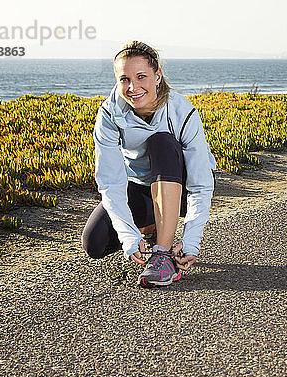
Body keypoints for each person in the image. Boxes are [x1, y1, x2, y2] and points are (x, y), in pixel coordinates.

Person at [82, 40, 216, 287]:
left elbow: (201, 185)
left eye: (141, 76)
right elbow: (111, 182)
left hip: (182, 187)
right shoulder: (110, 114)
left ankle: (163, 254)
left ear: (158, 75)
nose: (133, 87)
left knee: (161, 142)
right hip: (140, 185)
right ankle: (151, 226)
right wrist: (128, 236)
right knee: (95, 243)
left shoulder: (182, 111)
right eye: (124, 79)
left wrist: (191, 239)